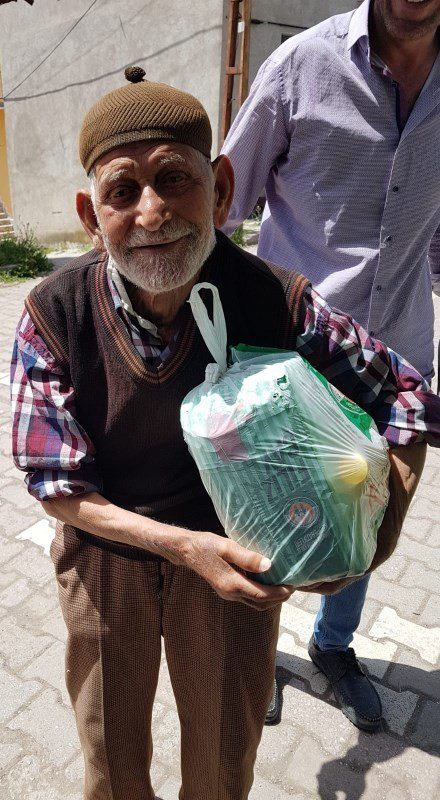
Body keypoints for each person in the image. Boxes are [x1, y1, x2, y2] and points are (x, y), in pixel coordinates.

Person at [10, 67, 438, 800]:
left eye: (174, 180)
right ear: (89, 215)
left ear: (221, 188)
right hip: (107, 557)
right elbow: (56, 485)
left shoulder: (274, 298)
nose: (151, 214)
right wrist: (182, 547)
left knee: (222, 760)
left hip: (238, 564)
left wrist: (375, 535)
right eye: (122, 192)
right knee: (111, 763)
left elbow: (408, 399)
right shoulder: (54, 312)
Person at [221, 0, 440, 731]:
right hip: (292, 362)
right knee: (267, 514)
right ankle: (256, 652)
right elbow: (221, 202)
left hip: (396, 364)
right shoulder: (300, 68)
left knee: (364, 515)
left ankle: (333, 645)